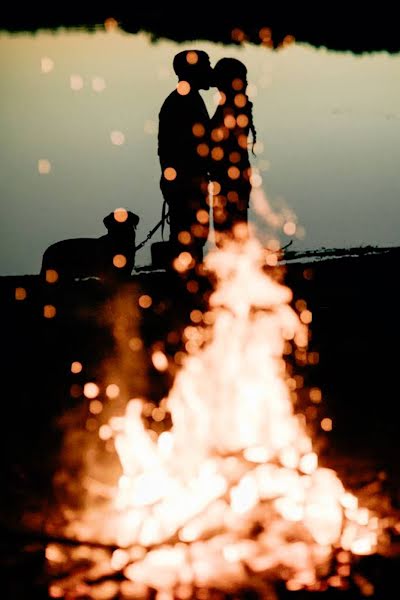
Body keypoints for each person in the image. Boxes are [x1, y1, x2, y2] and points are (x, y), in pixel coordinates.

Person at [157, 50, 214, 270]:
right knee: (189, 239)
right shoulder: (184, 102)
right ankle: (186, 288)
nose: (210, 72)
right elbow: (188, 147)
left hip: (184, 182)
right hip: (186, 184)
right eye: (206, 67)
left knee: (190, 238)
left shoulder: (186, 98)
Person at [209, 57, 257, 244]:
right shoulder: (235, 105)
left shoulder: (231, 108)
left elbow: (221, 145)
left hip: (230, 178)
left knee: (229, 230)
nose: (246, 83)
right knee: (233, 228)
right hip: (235, 176)